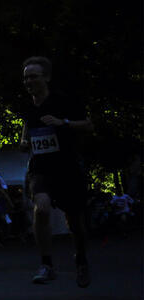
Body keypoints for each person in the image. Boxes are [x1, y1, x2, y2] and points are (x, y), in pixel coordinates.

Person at [19, 56, 93, 286]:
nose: (28, 81)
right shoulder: (28, 106)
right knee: (41, 209)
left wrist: (64, 123)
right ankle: (46, 264)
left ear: (47, 77)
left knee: (75, 221)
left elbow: (89, 125)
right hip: (40, 168)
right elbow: (27, 128)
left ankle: (81, 258)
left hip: (66, 167)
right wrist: (24, 141)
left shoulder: (64, 101)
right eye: (25, 78)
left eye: (33, 76)